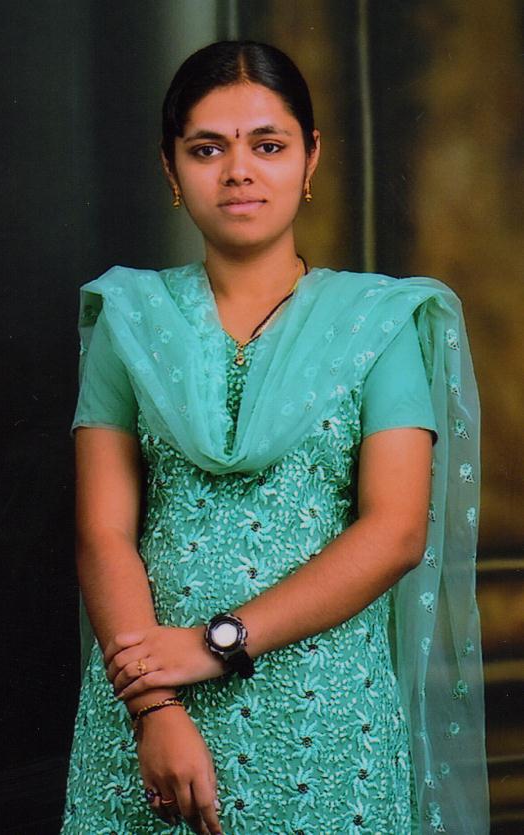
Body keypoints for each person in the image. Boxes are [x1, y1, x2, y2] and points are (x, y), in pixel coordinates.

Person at [61, 40, 489, 835]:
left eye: (268, 145)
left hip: (326, 719)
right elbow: (102, 532)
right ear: (169, 167)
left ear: (309, 157)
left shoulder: (377, 324)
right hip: (150, 708)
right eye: (206, 149)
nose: (238, 172)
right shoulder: (131, 320)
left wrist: (214, 644)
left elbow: (396, 530)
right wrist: (156, 705)